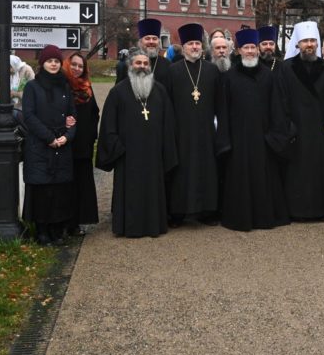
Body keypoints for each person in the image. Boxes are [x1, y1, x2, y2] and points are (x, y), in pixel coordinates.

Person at [96, 49, 177, 238]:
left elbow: (169, 123)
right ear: (130, 65)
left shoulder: (160, 91)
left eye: (145, 63)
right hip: (128, 155)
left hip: (154, 153)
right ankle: (129, 227)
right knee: (129, 192)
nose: (142, 67)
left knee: (153, 190)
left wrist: (166, 149)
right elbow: (108, 125)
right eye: (138, 63)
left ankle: (153, 226)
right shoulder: (118, 92)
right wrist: (118, 149)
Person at [215, 28, 291, 231]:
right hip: (238, 140)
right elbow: (223, 110)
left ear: (257, 50)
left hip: (263, 138)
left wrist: (275, 136)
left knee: (264, 178)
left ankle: (264, 217)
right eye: (246, 48)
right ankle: (240, 218)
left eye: (253, 48)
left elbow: (277, 108)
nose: (250, 51)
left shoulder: (268, 76)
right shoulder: (229, 77)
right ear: (239, 51)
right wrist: (225, 141)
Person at [275, 20, 324, 220]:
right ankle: (298, 211)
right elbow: (281, 99)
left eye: (313, 40)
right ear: (297, 44)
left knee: (319, 171)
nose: (309, 45)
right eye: (305, 41)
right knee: (298, 172)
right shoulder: (286, 68)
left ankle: (321, 210)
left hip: (320, 128)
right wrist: (289, 126)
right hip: (298, 129)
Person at [164, 23, 221, 226]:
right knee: (182, 171)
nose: (195, 47)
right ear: (183, 46)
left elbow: (219, 103)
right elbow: (167, 103)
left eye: (198, 43)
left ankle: (207, 210)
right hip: (181, 131)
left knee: (207, 169)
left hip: (206, 130)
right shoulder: (172, 71)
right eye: (190, 44)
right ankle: (178, 212)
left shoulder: (212, 71)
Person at [21, 45, 77, 245]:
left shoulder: (64, 86)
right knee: (43, 191)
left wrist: (67, 136)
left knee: (59, 191)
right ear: (42, 63)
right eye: (49, 61)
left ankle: (56, 229)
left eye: (56, 61)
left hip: (61, 145)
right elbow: (29, 115)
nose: (53, 64)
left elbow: (72, 116)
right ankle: (42, 231)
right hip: (41, 145)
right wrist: (49, 138)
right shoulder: (32, 87)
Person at [62, 52, 99, 235]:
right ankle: (63, 222)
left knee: (81, 184)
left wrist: (92, 135)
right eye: (74, 65)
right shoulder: (62, 85)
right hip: (65, 144)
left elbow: (94, 112)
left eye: (80, 66)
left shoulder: (87, 88)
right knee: (65, 184)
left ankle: (77, 222)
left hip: (83, 145)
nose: (77, 68)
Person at [117, 18, 171, 87]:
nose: (151, 42)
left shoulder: (168, 65)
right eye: (147, 38)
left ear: (159, 42)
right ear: (140, 42)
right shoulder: (128, 64)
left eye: (154, 39)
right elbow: (119, 91)